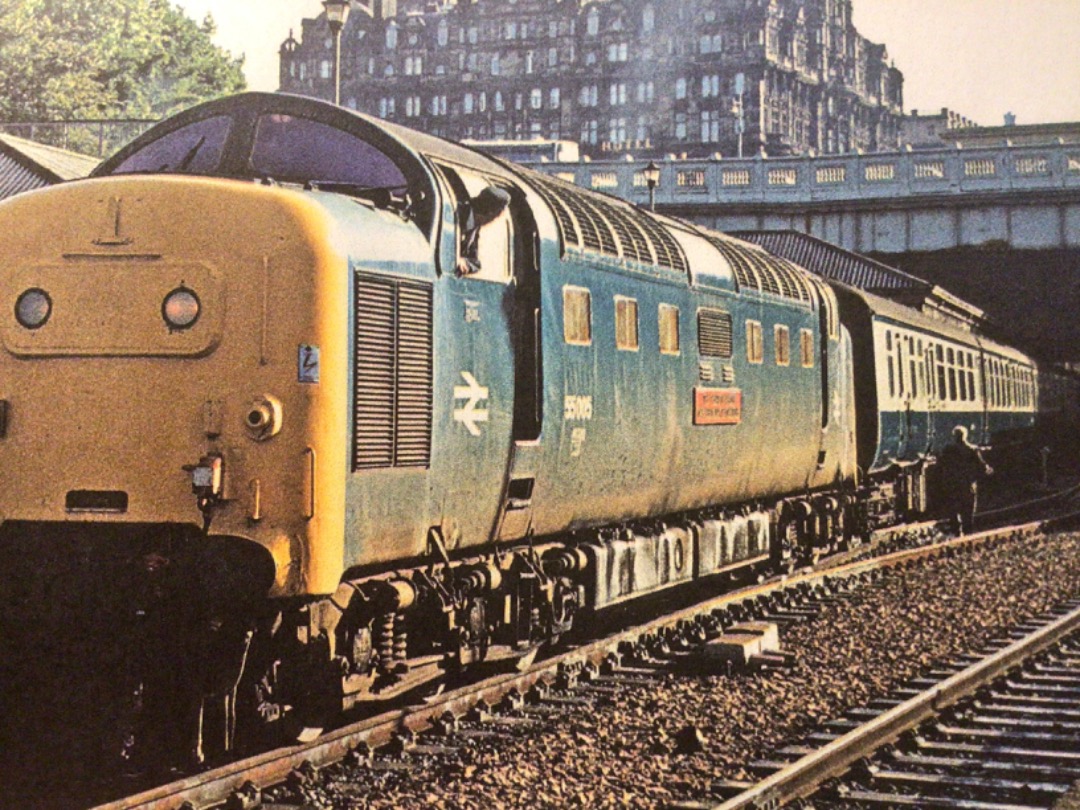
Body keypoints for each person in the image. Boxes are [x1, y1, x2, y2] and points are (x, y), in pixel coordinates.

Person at [938, 425, 992, 535]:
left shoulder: (947, 450)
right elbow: (983, 467)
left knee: (953, 509)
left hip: (952, 485)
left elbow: (940, 465)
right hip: (968, 485)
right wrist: (986, 470)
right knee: (968, 511)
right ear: (965, 436)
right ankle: (968, 533)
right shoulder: (972, 450)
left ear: (954, 436)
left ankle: (956, 532)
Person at [456, 185, 511, 276]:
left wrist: (465, 263)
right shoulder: (457, 214)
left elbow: (475, 263)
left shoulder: (474, 229)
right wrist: (454, 259)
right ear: (491, 214)